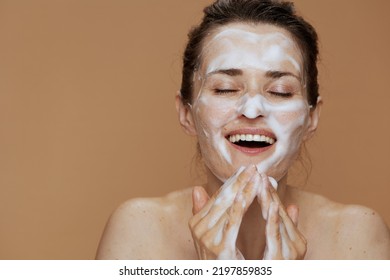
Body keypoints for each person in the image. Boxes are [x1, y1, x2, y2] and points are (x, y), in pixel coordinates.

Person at [95, 0, 390, 260]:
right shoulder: (139, 232)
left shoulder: (356, 237)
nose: (252, 110)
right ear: (186, 113)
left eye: (281, 91)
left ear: (312, 118)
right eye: (225, 89)